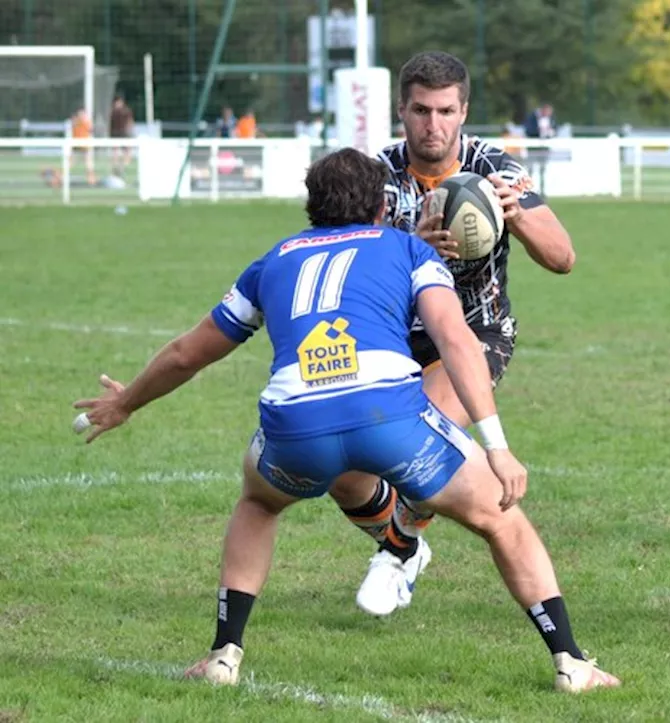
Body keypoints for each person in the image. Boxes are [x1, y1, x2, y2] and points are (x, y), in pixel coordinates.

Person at [71, 148, 619, 692]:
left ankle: (224, 653)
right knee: (502, 520)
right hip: (388, 415)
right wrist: (496, 446)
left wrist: (125, 404)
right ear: (384, 205)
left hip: (294, 427)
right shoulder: (407, 248)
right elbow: (456, 340)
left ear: (311, 207)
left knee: (259, 503)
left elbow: (188, 352)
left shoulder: (273, 261)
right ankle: (571, 662)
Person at [298, 50, 576, 619]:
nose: (434, 124)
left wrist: (512, 213)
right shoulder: (374, 179)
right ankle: (404, 546)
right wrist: (411, 249)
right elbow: (345, 264)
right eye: (421, 110)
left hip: (476, 334)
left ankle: (392, 560)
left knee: (429, 430)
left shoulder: (497, 169)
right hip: (393, 339)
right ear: (402, 110)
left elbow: (563, 257)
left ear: (464, 110)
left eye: (446, 111)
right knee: (344, 470)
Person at [108, 95, 135, 178]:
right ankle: (116, 168)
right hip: (116, 134)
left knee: (127, 152)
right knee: (115, 152)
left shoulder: (126, 111)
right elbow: (111, 124)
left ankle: (123, 167)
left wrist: (130, 132)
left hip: (124, 134)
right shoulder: (113, 112)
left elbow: (130, 122)